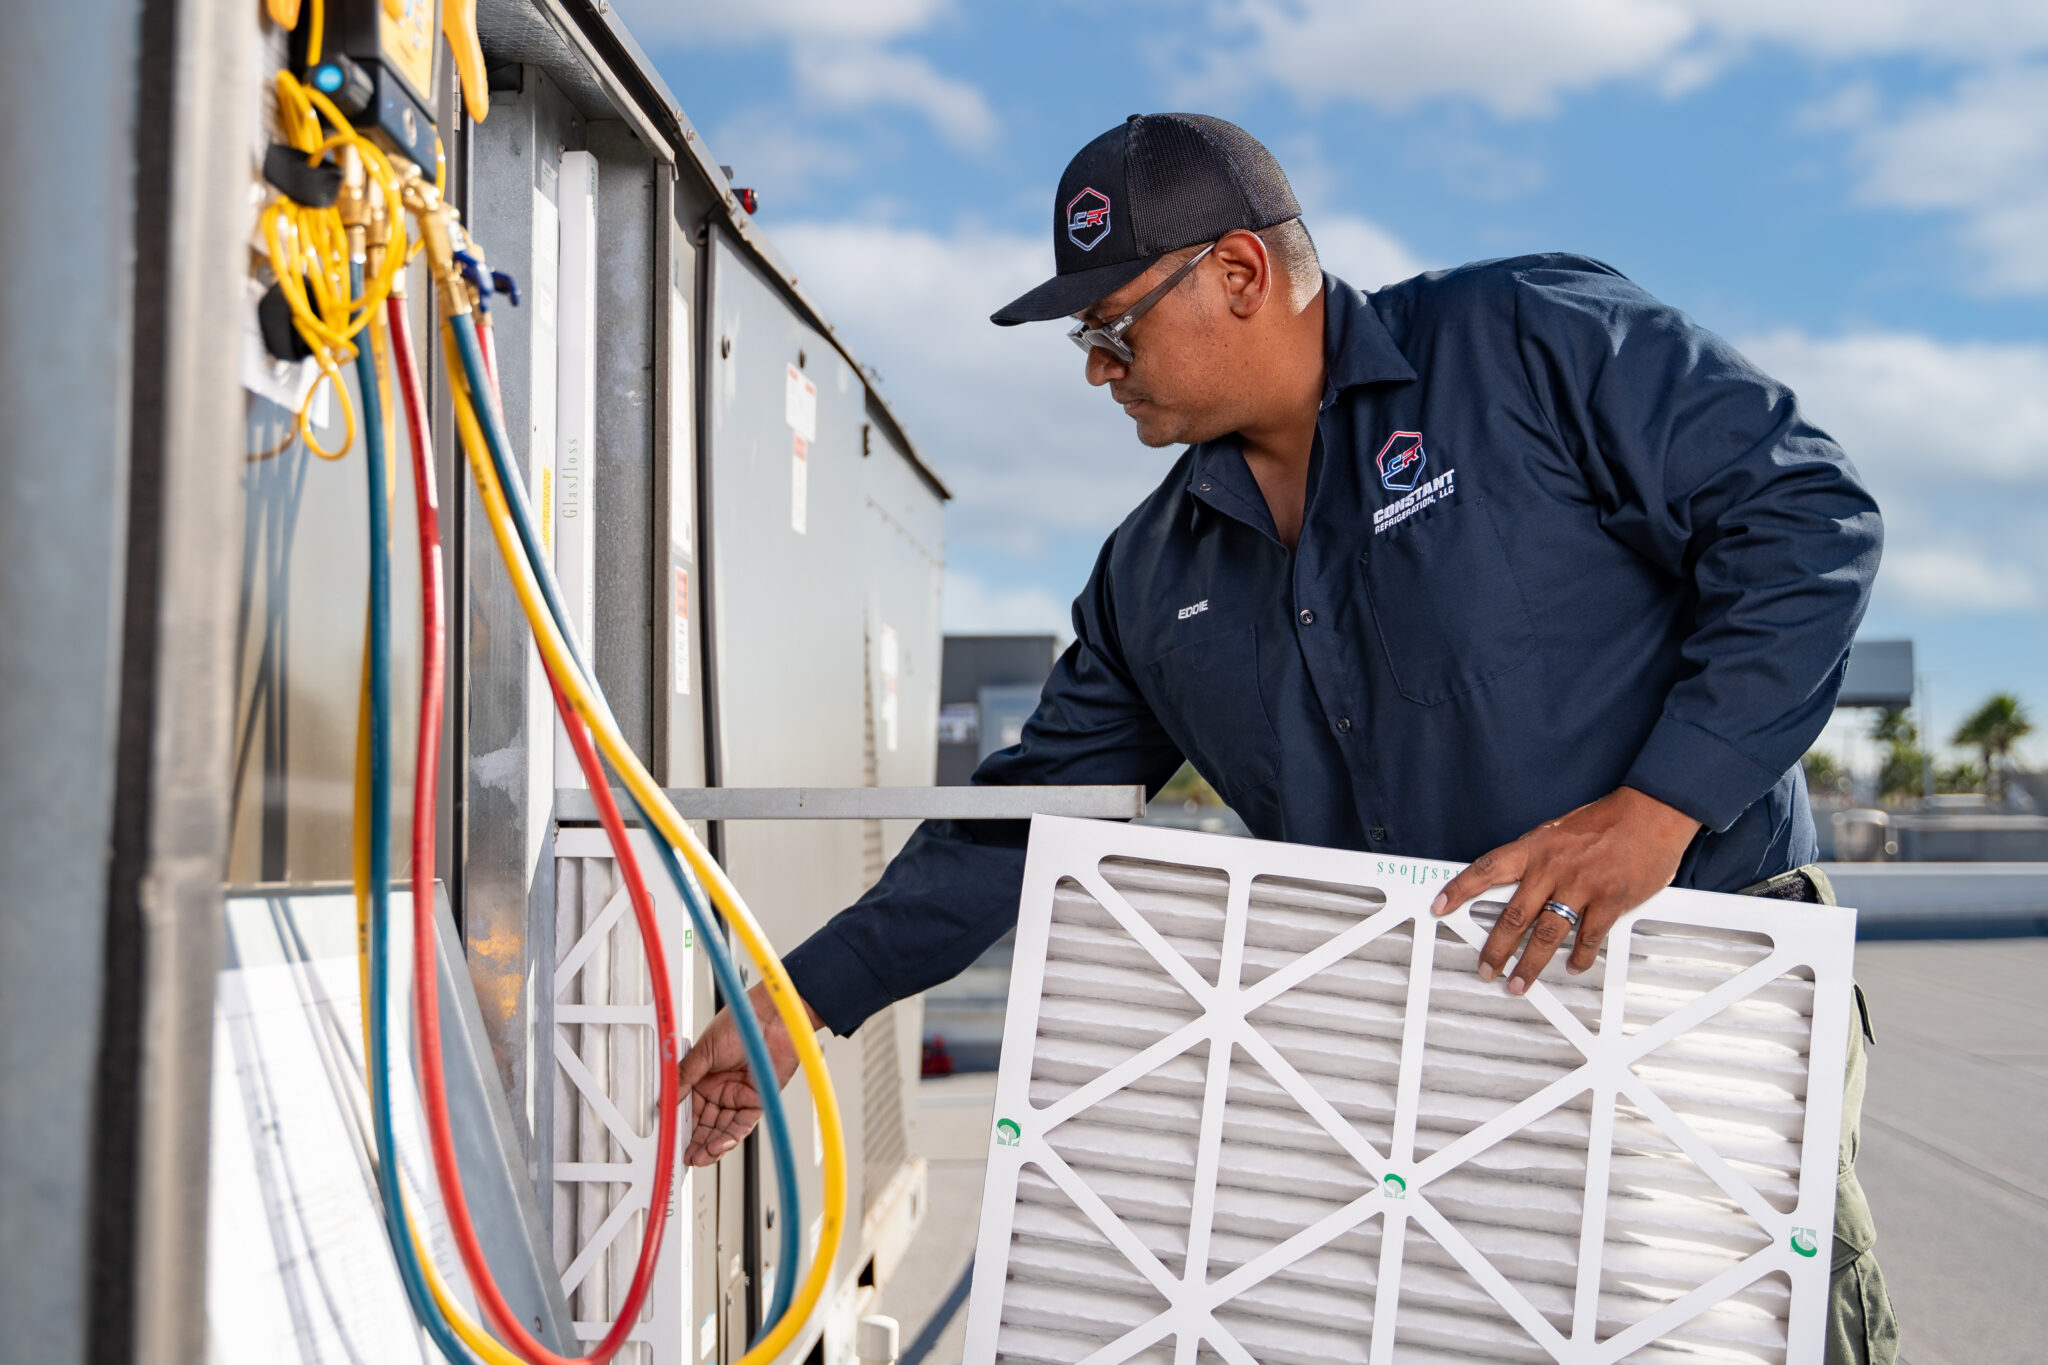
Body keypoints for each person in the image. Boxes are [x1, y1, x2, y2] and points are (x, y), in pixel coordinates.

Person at [678, 113, 1896, 1363]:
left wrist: (1656, 811)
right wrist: (790, 1004)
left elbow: (1803, 519)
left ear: (1240, 275)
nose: (1096, 369)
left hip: (1694, 999)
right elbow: (1026, 814)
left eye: (1112, 329)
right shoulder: (1152, 574)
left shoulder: (1523, 343)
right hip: (1411, 1061)